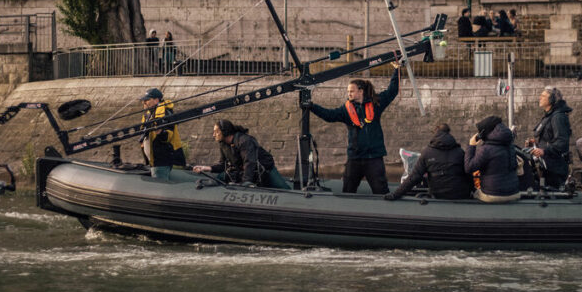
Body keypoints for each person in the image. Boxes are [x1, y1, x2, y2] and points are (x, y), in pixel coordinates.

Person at [307, 62, 402, 194]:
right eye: (348, 91)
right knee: (348, 190)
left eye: (351, 91)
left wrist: (397, 71)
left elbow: (392, 90)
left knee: (381, 191)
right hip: (355, 157)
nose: (349, 94)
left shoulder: (376, 103)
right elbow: (329, 115)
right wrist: (311, 106)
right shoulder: (345, 110)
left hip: (374, 157)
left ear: (360, 91)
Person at [192, 119, 289, 188]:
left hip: (265, 170)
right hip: (245, 172)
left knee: (284, 188)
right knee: (220, 177)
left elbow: (249, 162)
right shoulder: (224, 145)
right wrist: (206, 168)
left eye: (216, 132)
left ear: (225, 132)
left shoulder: (244, 141)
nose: (213, 135)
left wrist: (246, 182)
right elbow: (223, 165)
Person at [385, 123, 472, 200]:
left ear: (435, 134)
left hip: (438, 195)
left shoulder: (427, 153)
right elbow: (468, 174)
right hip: (460, 194)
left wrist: (395, 194)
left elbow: (414, 177)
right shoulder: (460, 152)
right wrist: (473, 191)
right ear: (449, 133)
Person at [464, 115, 520, 203]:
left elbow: (468, 168)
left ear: (484, 133)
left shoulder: (486, 149)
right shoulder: (509, 144)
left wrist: (471, 146)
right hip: (514, 193)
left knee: (473, 193)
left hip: (493, 195)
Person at [525, 87, 572, 190]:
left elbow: (562, 142)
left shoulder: (558, 117)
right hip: (547, 164)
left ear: (551, 100)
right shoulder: (550, 115)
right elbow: (549, 138)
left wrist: (543, 150)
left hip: (554, 167)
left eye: (543, 96)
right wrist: (535, 143)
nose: (539, 98)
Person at [139, 88, 185, 178]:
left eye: (147, 100)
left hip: (161, 161)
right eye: (143, 100)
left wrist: (160, 132)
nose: (144, 102)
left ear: (156, 100)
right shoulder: (148, 114)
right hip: (153, 161)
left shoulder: (165, 113)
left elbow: (168, 136)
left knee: (158, 187)